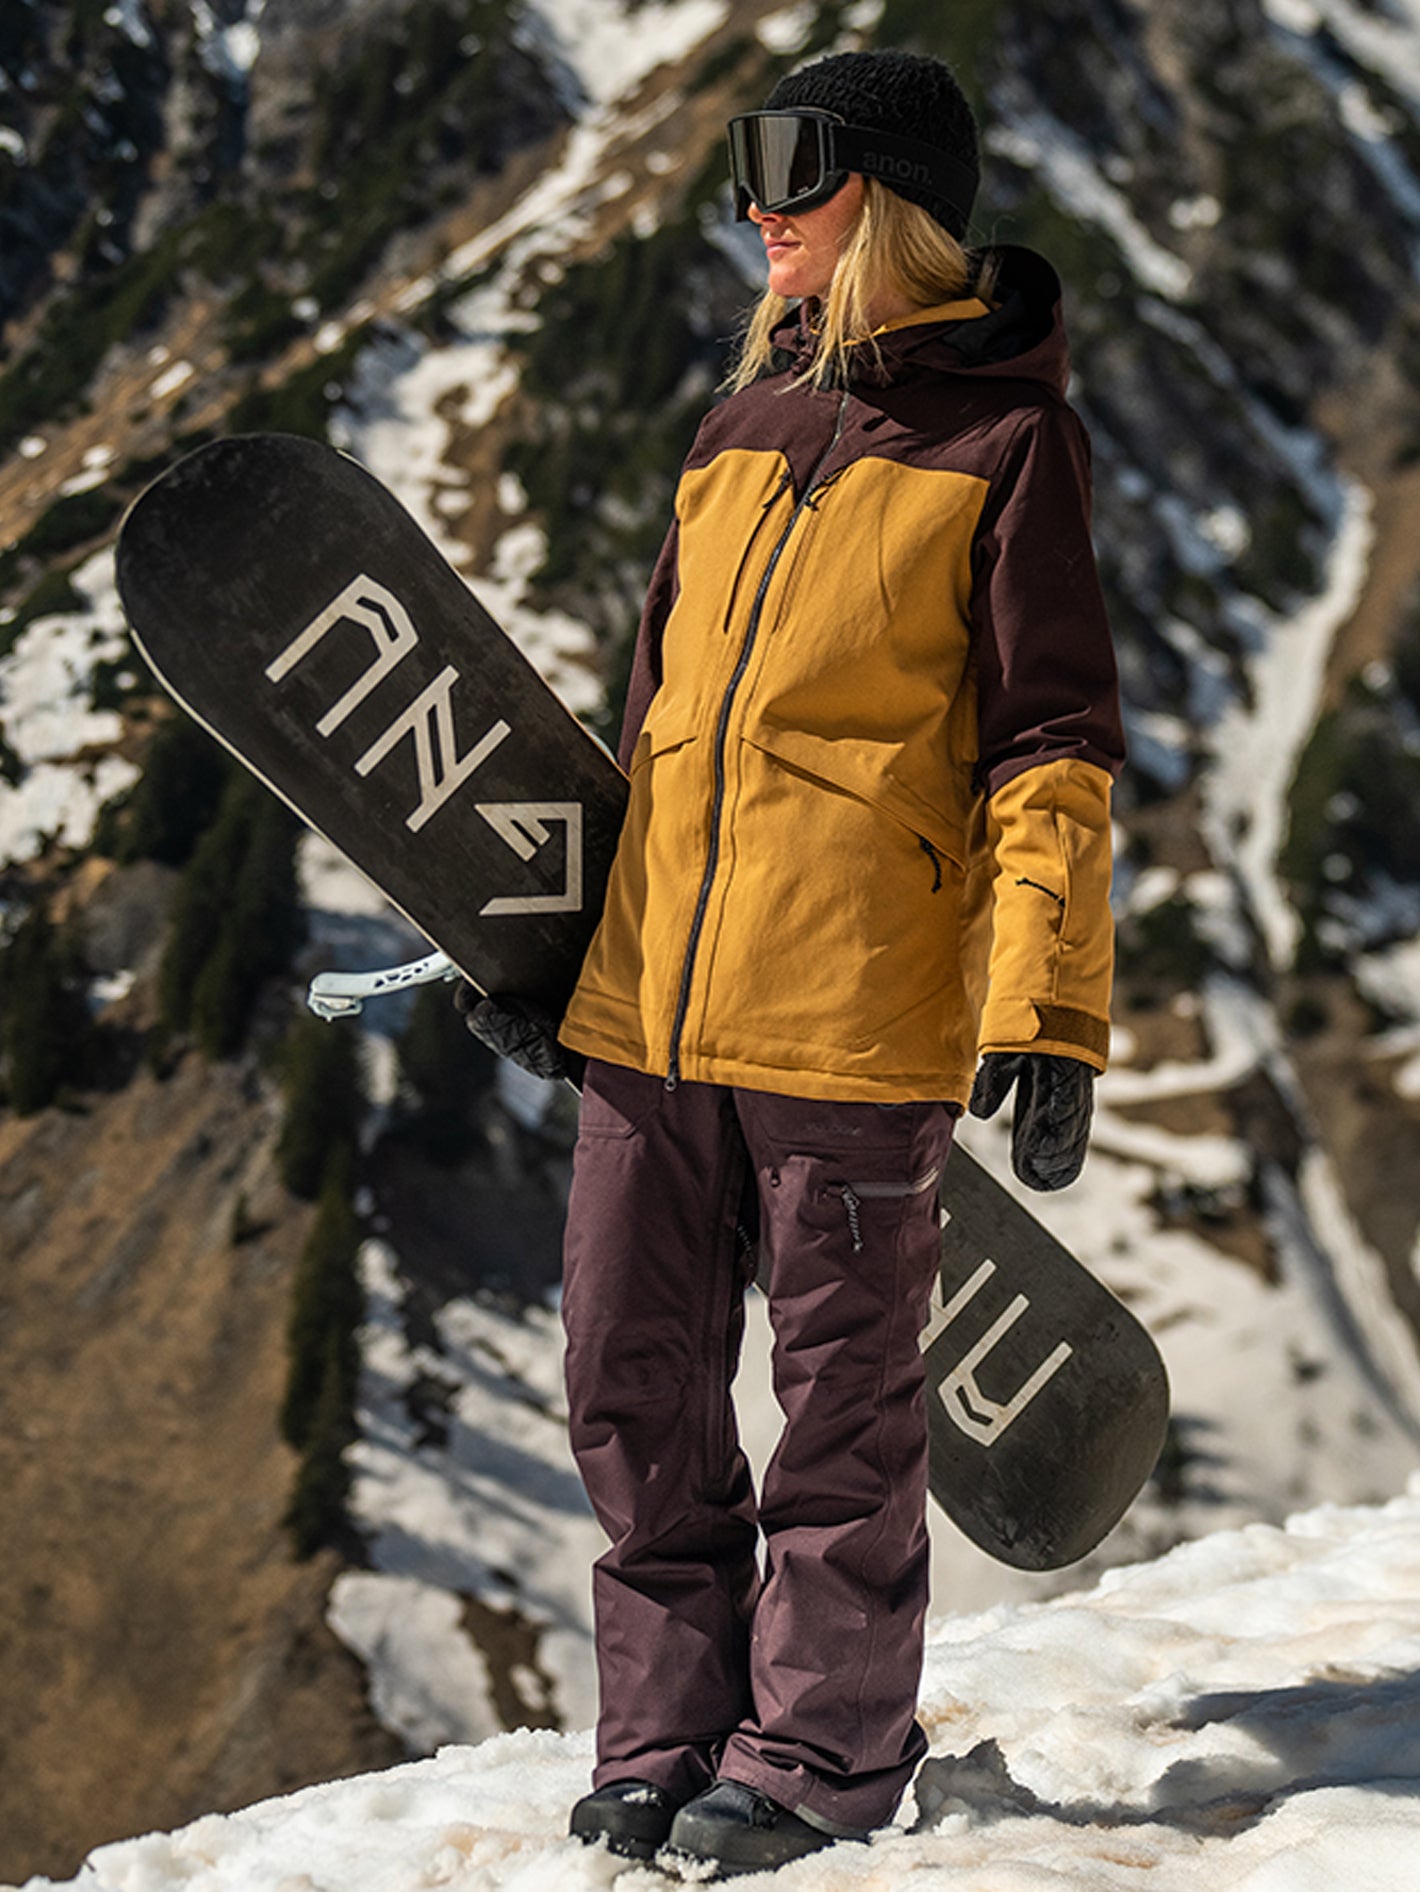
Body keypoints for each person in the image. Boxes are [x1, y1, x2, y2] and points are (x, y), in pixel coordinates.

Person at [462, 46, 1124, 1878]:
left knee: (842, 1408)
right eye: (747, 172)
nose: (757, 209)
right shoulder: (737, 427)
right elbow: (662, 724)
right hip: (649, 1010)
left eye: (796, 176)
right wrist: (559, 943)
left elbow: (1050, 747)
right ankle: (665, 1734)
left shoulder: (1007, 446)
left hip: (846, 1022)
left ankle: (824, 1750)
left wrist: (1050, 1009)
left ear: (895, 206)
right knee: (627, 1381)